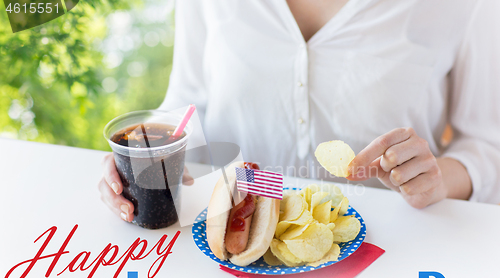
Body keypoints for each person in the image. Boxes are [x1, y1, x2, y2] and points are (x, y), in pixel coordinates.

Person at [99, 0, 500, 222]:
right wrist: (143, 155)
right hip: (230, 239)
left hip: (388, 259)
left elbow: (486, 145)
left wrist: (439, 182)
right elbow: (187, 105)